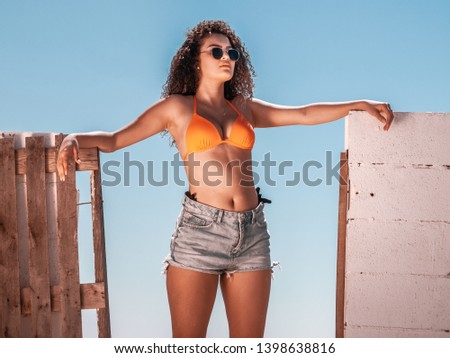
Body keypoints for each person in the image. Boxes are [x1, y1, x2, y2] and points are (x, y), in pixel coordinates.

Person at [57, 20, 394, 338]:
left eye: (231, 52)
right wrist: (74, 138)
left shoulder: (243, 108)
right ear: (196, 62)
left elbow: (303, 114)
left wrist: (358, 104)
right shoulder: (175, 108)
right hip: (200, 233)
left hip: (252, 234)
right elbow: (115, 140)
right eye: (215, 51)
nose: (226, 58)